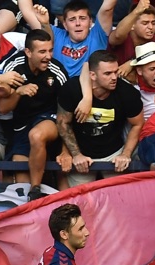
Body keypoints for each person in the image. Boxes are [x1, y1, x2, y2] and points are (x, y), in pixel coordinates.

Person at [56, 50, 144, 187]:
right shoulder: (72, 89)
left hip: (114, 154)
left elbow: (137, 124)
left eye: (115, 72)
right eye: (107, 74)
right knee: (81, 202)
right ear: (92, 75)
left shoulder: (127, 92)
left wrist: (125, 154)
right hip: (82, 153)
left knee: (118, 199)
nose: (114, 77)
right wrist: (76, 154)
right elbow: (63, 123)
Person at [0, 29, 68, 201]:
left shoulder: (56, 71)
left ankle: (35, 190)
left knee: (36, 135)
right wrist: (19, 92)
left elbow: (67, 114)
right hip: (21, 126)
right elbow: (3, 109)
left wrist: (66, 150)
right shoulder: (14, 67)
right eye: (42, 52)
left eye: (50, 50)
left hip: (49, 120)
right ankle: (30, 205)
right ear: (28, 52)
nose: (48, 56)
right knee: (20, 178)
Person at [19, 0, 116, 76]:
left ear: (90, 22)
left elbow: (108, 8)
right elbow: (27, 12)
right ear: (65, 24)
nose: (78, 23)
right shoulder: (54, 33)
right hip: (57, 88)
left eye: (82, 18)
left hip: (88, 88)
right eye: (72, 20)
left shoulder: (98, 35)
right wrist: (44, 23)